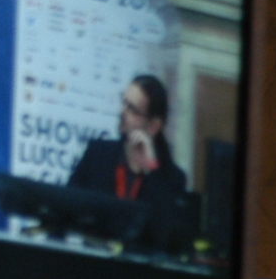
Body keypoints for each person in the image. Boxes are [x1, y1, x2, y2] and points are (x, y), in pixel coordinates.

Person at [65, 72, 190, 252]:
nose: (122, 112)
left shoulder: (172, 178)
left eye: (133, 110)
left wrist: (150, 169)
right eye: (124, 103)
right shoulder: (97, 154)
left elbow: (166, 237)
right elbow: (66, 205)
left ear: (153, 126)